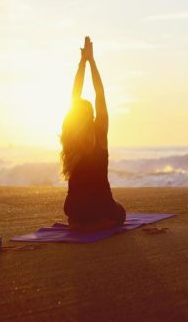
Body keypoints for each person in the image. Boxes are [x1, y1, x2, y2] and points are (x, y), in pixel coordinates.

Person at [61, 36, 126, 231]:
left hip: (73, 210)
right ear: (91, 116)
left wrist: (82, 62)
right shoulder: (100, 134)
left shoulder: (70, 137)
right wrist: (92, 61)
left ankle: (81, 223)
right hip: (98, 208)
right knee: (120, 212)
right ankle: (98, 222)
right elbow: (100, 94)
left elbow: (75, 95)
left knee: (85, 205)